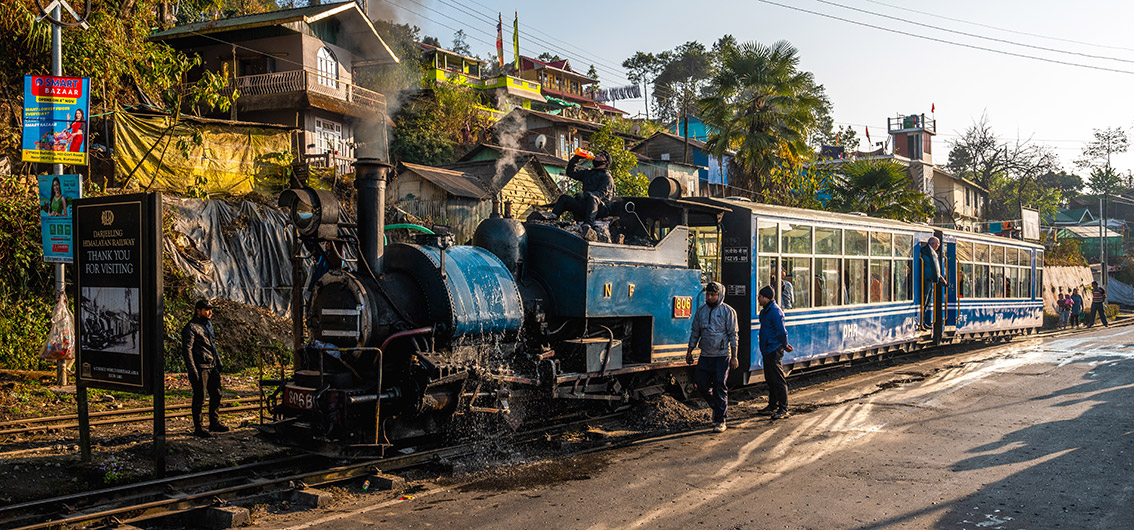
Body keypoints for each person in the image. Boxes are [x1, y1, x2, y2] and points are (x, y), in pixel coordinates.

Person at [685, 282, 739, 433]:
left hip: (721, 356)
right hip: (705, 355)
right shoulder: (701, 311)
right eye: (707, 294)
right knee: (701, 385)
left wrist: (734, 356)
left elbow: (733, 335)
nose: (709, 297)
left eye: (713, 295)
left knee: (719, 386)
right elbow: (695, 331)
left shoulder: (728, 312)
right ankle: (716, 407)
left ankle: (720, 420)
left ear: (720, 295)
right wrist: (689, 351)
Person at [530, 152, 615, 232]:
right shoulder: (588, 173)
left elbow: (601, 193)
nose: (597, 156)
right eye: (598, 154)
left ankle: (588, 225)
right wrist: (576, 158)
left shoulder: (607, 177)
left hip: (600, 208)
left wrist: (586, 195)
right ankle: (553, 216)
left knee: (593, 199)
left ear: (605, 163)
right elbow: (571, 172)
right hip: (586, 206)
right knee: (564, 198)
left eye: (601, 156)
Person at [181, 299, 229, 437]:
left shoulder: (208, 325)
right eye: (207, 310)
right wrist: (192, 370)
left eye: (211, 309)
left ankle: (214, 423)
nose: (210, 312)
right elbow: (187, 350)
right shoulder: (190, 327)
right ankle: (199, 427)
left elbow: (212, 345)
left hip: (211, 365)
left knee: (217, 394)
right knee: (199, 398)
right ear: (198, 310)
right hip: (200, 367)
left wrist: (218, 362)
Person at [757, 285, 793, 420]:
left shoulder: (775, 312)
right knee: (770, 378)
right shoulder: (766, 311)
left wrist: (784, 345)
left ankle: (783, 408)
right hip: (767, 348)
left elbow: (782, 332)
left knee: (778, 379)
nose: (758, 299)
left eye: (760, 297)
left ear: (766, 297)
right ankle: (772, 405)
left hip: (774, 349)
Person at [920, 237, 946, 329]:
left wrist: (940, 277)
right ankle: (921, 322)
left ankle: (923, 322)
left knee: (927, 303)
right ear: (933, 244)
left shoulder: (933, 253)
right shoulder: (926, 252)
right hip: (926, 280)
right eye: (937, 244)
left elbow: (936, 268)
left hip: (931, 280)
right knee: (924, 302)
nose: (938, 246)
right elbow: (929, 267)